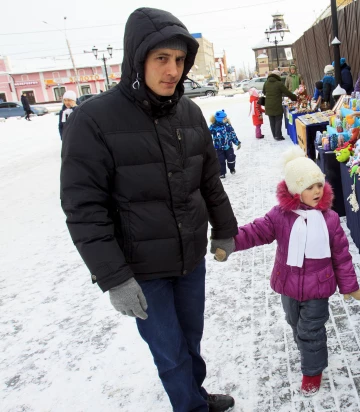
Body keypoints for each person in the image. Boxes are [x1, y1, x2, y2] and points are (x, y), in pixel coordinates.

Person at [60, 7, 238, 412]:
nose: (172, 70)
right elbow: (84, 208)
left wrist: (224, 229)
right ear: (137, 58)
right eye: (162, 58)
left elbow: (209, 180)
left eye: (179, 60)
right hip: (142, 271)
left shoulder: (190, 113)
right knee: (170, 352)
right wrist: (114, 277)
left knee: (190, 339)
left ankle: (196, 395)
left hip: (190, 258)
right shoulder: (93, 120)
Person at [223, 147, 360, 396]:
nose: (317, 191)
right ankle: (308, 352)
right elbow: (257, 231)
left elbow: (341, 256)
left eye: (319, 185)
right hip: (288, 285)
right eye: (309, 187)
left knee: (311, 330)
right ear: (294, 190)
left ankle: (313, 372)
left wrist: (349, 286)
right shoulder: (281, 216)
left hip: (318, 287)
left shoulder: (329, 219)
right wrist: (232, 242)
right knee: (294, 323)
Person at [263, 69, 297, 141]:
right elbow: (287, 92)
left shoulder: (266, 83)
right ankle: (278, 136)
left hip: (268, 105)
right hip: (276, 104)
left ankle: (274, 135)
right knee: (278, 119)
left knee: (272, 120)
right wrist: (295, 98)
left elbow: (264, 92)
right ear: (278, 76)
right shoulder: (279, 83)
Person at [209, 110, 241, 178]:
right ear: (219, 119)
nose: (226, 119)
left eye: (226, 118)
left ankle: (232, 168)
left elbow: (233, 134)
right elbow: (208, 134)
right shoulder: (213, 126)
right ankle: (222, 173)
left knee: (231, 158)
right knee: (220, 160)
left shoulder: (228, 125)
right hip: (218, 147)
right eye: (224, 118)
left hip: (228, 146)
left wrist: (237, 142)